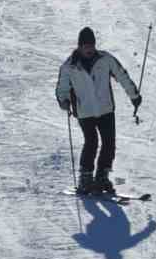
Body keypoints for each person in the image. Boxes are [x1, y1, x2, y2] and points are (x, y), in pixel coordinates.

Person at [55, 26, 142, 196]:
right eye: (86, 46)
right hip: (84, 111)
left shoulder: (105, 59)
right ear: (79, 46)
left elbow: (122, 75)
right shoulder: (70, 66)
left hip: (105, 109)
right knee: (92, 142)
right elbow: (62, 88)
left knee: (109, 143)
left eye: (92, 45)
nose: (89, 49)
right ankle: (86, 178)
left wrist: (134, 95)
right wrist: (63, 100)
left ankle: (102, 176)